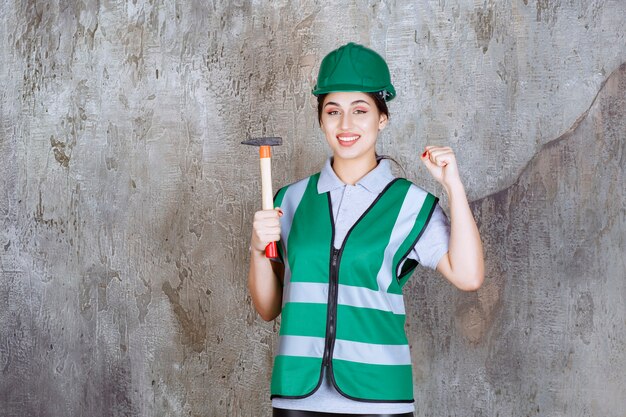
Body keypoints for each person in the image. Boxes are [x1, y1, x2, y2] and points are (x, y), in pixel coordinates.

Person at [248, 42, 484, 417]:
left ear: (381, 118)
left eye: (360, 110)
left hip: (380, 398)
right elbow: (268, 308)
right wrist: (258, 250)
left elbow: (469, 276)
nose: (346, 125)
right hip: (296, 397)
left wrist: (453, 186)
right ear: (321, 120)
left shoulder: (410, 203)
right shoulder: (288, 200)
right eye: (333, 111)